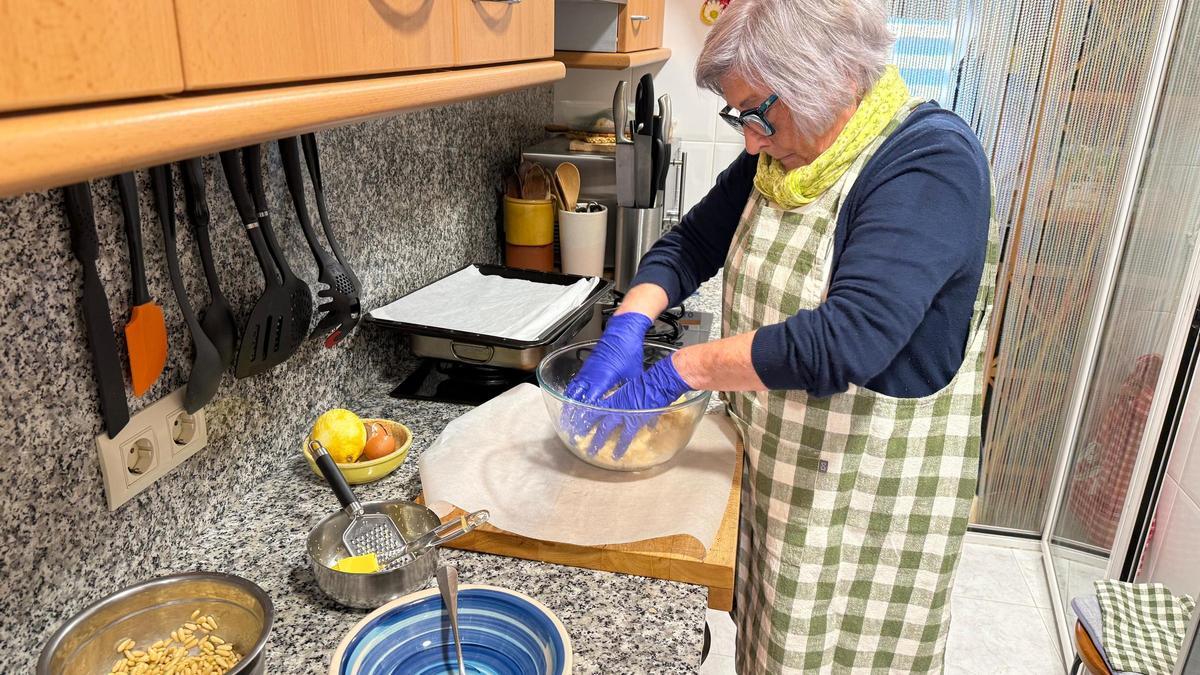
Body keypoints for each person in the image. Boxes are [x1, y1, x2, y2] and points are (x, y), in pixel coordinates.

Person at [564, 0, 999, 672]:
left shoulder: (930, 163)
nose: (750, 140)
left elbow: (848, 338)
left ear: (836, 79)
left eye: (758, 112)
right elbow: (691, 244)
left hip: (864, 509)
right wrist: (628, 322)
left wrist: (684, 369)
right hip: (782, 473)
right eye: (739, 116)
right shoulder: (784, 156)